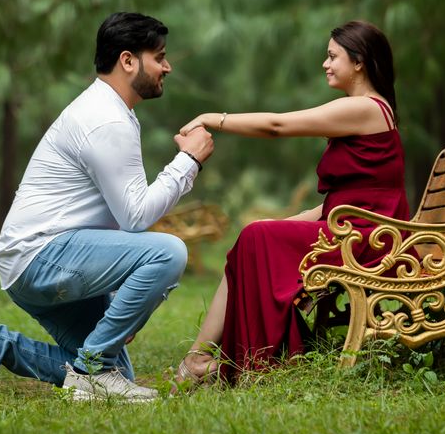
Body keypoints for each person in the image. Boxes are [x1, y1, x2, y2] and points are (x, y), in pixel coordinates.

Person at [0, 12, 214, 402]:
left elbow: (113, 217)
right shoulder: (106, 120)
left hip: (36, 259)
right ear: (127, 60)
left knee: (111, 373)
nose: (167, 67)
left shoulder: (110, 111)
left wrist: (129, 296)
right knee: (170, 252)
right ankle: (91, 371)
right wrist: (188, 161)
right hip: (43, 256)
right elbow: (135, 216)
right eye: (160, 56)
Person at [174, 20, 409, 385]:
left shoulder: (364, 108)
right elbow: (359, 192)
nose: (325, 63)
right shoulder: (366, 109)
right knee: (255, 237)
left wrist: (212, 118)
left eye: (333, 56)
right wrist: (298, 218)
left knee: (256, 237)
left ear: (359, 61)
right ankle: (200, 359)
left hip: (365, 239)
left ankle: (207, 360)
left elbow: (277, 126)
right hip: (352, 228)